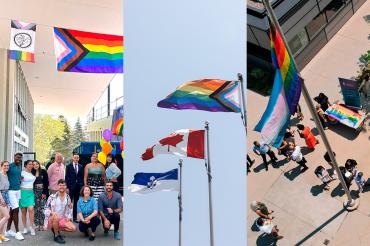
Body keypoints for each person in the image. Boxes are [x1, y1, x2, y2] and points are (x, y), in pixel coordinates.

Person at [44, 179, 76, 244]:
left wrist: (69, 217)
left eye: (63, 185)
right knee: (56, 216)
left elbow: (70, 208)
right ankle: (56, 236)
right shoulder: (52, 197)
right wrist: (52, 213)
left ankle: (55, 228)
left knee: (73, 228)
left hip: (62, 218)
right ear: (57, 186)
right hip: (52, 218)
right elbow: (45, 208)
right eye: (60, 185)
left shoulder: (67, 197)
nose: (62, 187)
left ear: (66, 187)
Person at [5, 152, 24, 240]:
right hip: (11, 191)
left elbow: (18, 177)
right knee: (16, 209)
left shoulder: (19, 166)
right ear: (14, 157)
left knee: (12, 211)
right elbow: (4, 173)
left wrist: (20, 178)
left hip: (18, 190)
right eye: (17, 157)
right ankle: (17, 232)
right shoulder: (10, 166)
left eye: (20, 158)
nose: (18, 159)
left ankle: (8, 230)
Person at [19, 160, 36, 236]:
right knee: (23, 212)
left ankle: (32, 227)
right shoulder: (22, 173)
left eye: (32, 164)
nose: (31, 165)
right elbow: (18, 181)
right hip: (22, 193)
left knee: (31, 209)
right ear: (25, 165)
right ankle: (25, 228)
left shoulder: (34, 173)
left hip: (30, 193)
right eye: (29, 164)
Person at [65, 153, 84, 222]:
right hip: (70, 187)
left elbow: (81, 177)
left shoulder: (81, 166)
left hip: (78, 187)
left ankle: (75, 217)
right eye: (75, 157)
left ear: (79, 158)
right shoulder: (68, 166)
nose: (76, 159)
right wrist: (66, 187)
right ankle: (68, 217)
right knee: (69, 202)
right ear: (73, 158)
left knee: (76, 202)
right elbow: (66, 177)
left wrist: (81, 185)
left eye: (77, 158)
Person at [32, 160, 49, 231]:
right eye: (34, 164)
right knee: (36, 208)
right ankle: (36, 224)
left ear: (39, 164)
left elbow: (46, 182)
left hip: (42, 191)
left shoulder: (43, 171)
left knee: (42, 208)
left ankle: (42, 224)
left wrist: (44, 193)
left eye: (37, 164)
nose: (35, 165)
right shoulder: (31, 173)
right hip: (34, 192)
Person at [0, 161, 11, 242]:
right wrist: (2, 199)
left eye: (7, 165)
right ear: (1, 166)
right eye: (5, 165)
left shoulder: (6, 175)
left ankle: (1, 236)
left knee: (1, 217)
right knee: (7, 216)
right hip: (1, 196)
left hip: (6, 195)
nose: (6, 167)